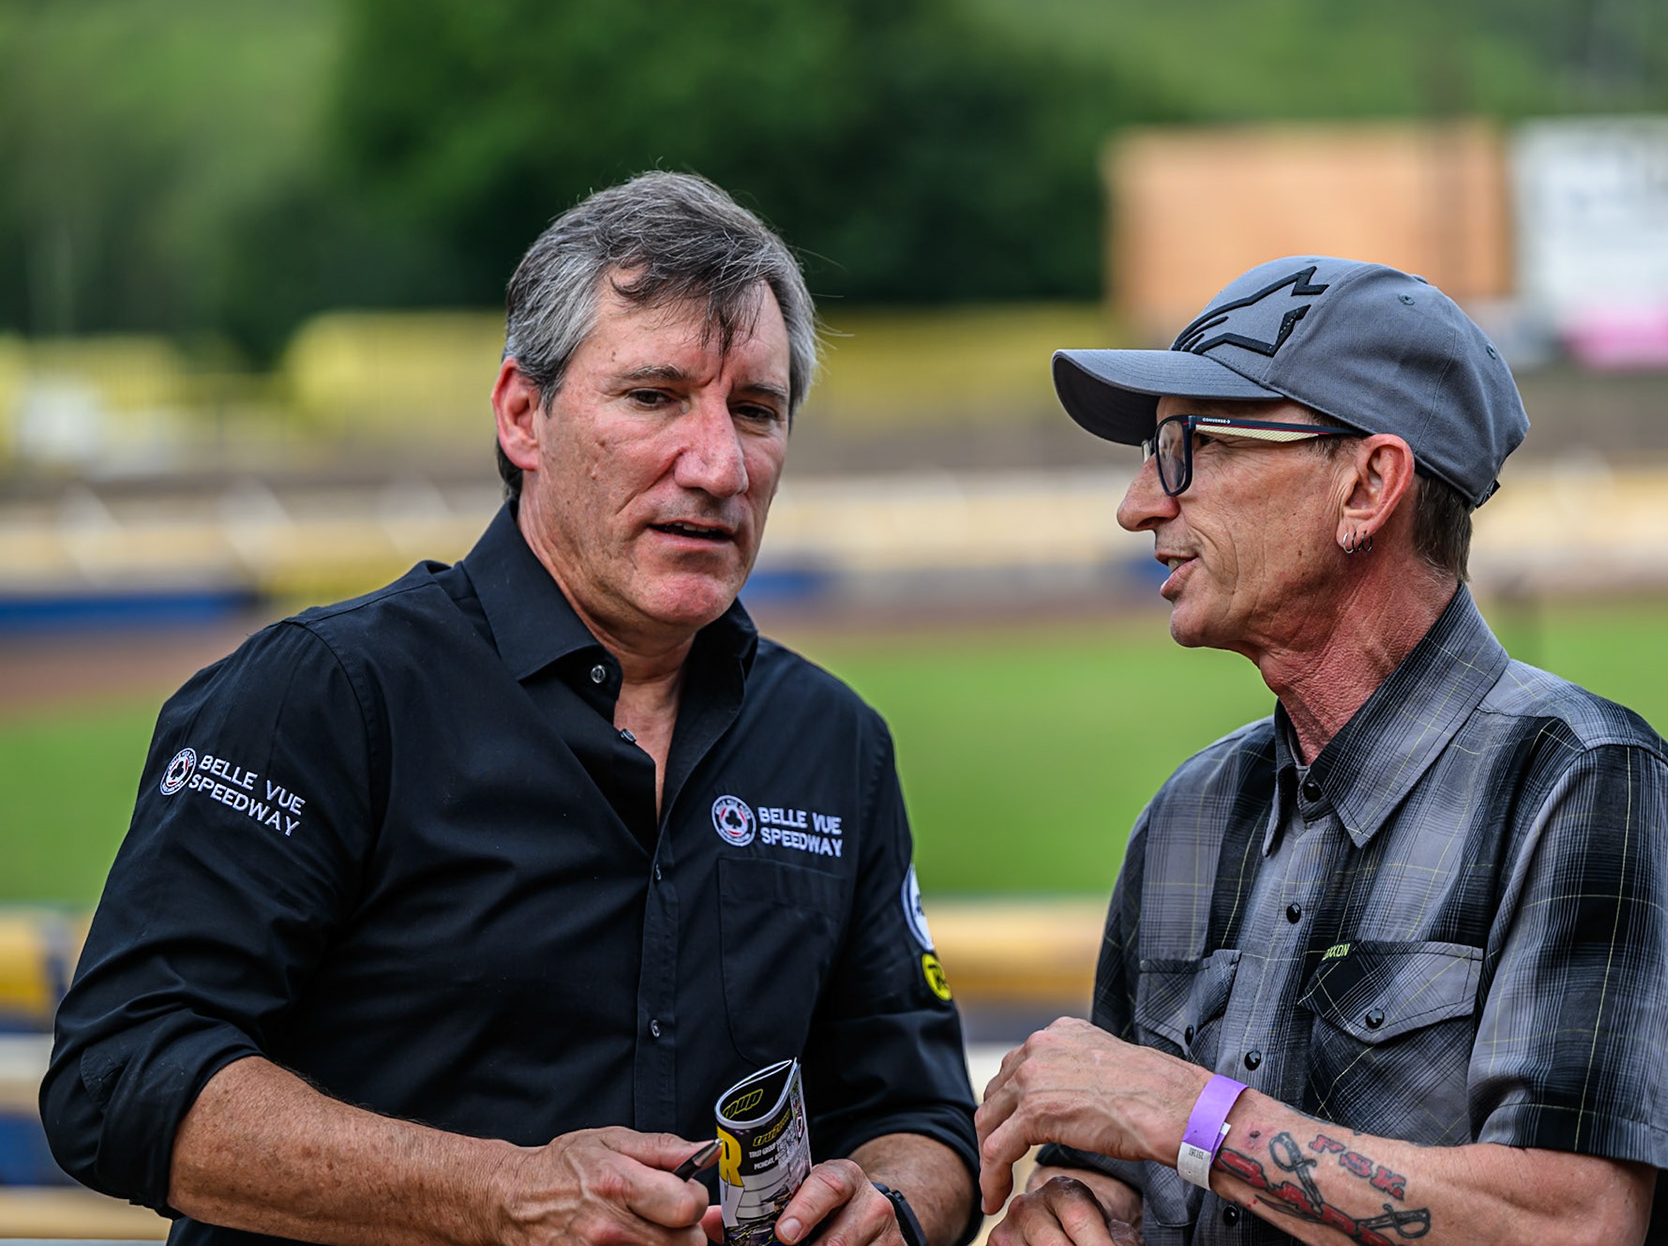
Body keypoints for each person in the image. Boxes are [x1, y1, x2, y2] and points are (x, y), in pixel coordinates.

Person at [42, 173, 979, 1246]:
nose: (719, 463)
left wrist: (892, 1202)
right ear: (523, 414)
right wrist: (497, 1194)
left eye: (756, 411)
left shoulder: (834, 742)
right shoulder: (328, 693)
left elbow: (920, 1116)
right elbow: (119, 1071)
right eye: (655, 396)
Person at [974, 258, 1668, 1246]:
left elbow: (1575, 1222)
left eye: (1188, 446)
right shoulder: (1187, 815)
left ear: (1368, 484)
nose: (1139, 504)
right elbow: (1125, 1161)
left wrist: (1188, 1112)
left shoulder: (1589, 786)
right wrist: (1077, 1211)